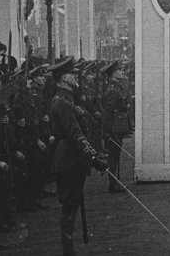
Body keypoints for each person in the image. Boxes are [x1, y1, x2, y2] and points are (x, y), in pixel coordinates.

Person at [48, 58, 106, 256]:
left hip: (73, 160)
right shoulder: (61, 103)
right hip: (68, 160)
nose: (77, 76)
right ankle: (68, 251)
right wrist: (93, 158)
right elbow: (75, 134)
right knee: (69, 206)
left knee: (71, 204)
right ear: (64, 78)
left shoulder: (68, 100)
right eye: (73, 74)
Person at [101, 62, 131, 193]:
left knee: (115, 155)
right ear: (113, 74)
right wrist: (107, 132)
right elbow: (108, 113)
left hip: (117, 127)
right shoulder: (113, 90)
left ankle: (115, 181)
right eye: (119, 71)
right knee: (113, 157)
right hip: (114, 128)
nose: (121, 73)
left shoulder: (116, 87)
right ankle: (113, 183)